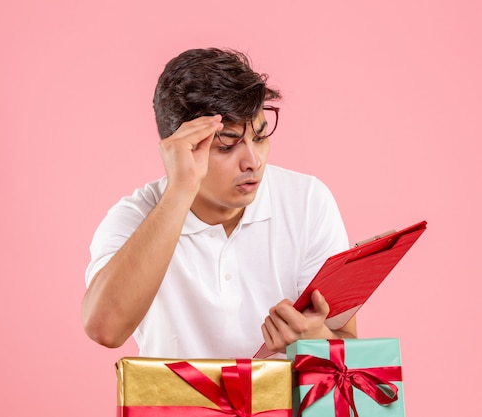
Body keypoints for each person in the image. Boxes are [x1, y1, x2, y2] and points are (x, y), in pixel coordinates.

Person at [82, 48, 356, 358]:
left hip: (280, 405)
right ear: (179, 149)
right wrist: (179, 191)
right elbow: (104, 329)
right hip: (173, 405)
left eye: (260, 137)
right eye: (227, 145)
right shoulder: (133, 218)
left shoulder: (306, 201)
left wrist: (317, 338)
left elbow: (349, 342)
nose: (252, 162)